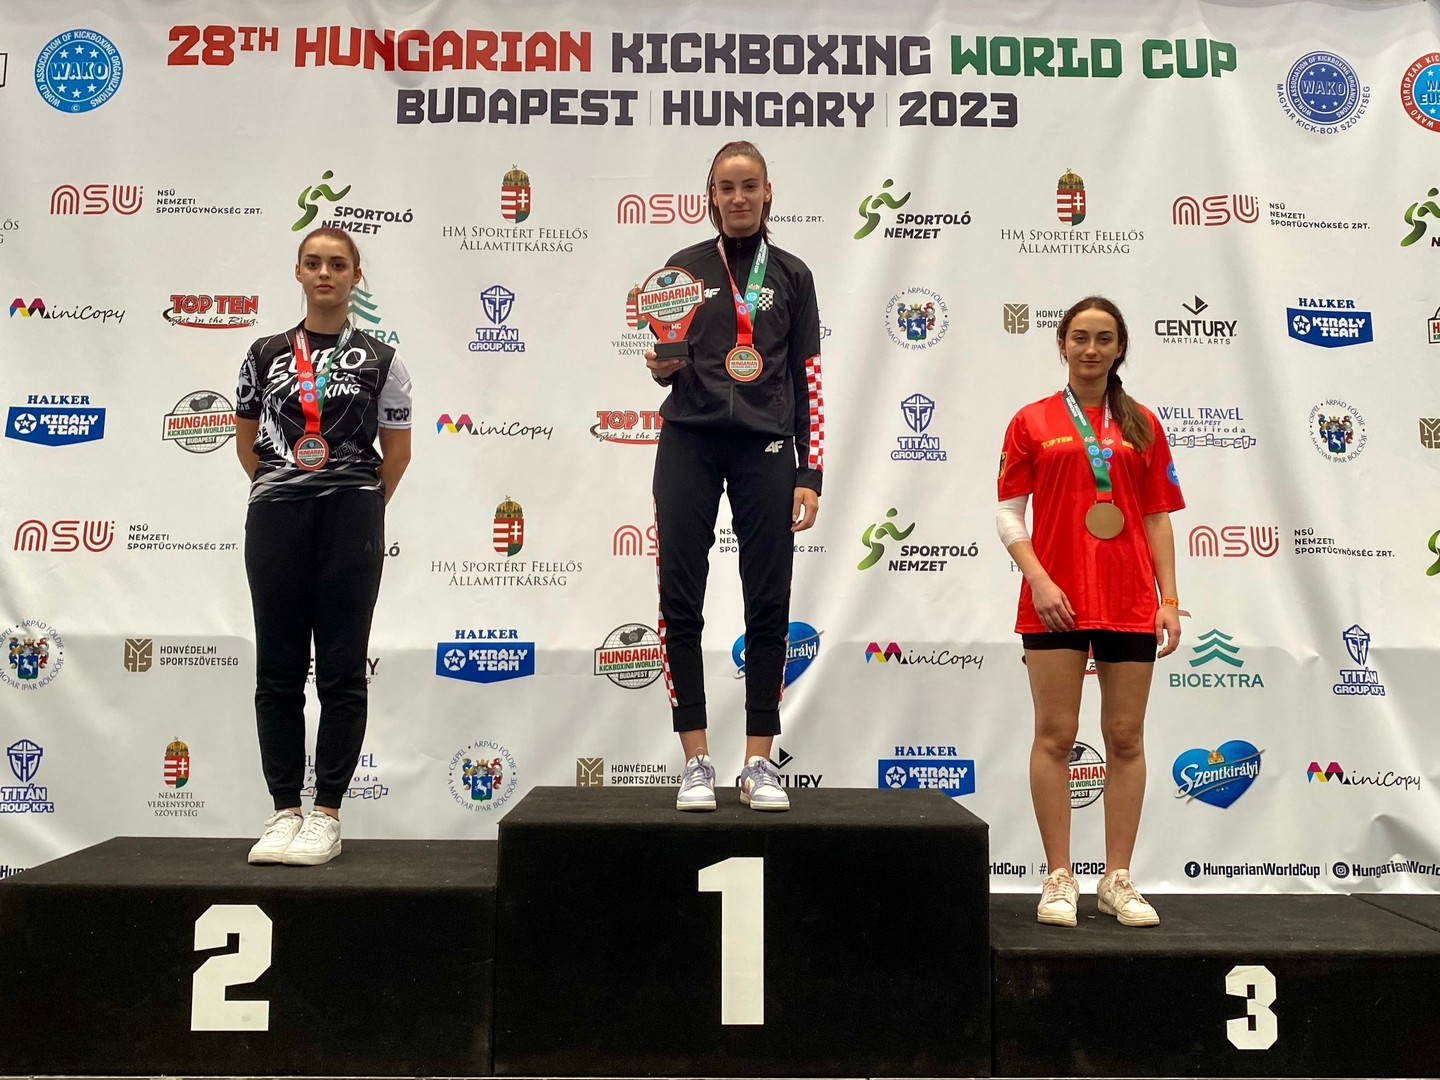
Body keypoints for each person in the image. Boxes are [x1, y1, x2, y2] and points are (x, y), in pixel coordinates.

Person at [644, 141, 824, 813]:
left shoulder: (794, 275)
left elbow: (808, 381)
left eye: (750, 186)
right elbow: (665, 356)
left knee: (768, 604)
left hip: (766, 450)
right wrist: (660, 366)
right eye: (727, 187)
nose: (739, 197)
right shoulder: (683, 269)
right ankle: (695, 760)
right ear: (711, 197)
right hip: (688, 443)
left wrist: (811, 470)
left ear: (768, 192)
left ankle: (757, 762)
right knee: (680, 600)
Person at [995, 296, 1183, 926]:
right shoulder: (1031, 420)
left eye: (1104, 338)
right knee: (1055, 736)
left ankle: (1118, 879)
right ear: (1062, 345)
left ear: (1120, 348)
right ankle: (1059, 877)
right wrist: (1039, 581)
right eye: (1080, 337)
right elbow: (1007, 514)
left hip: (1129, 599)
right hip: (1055, 600)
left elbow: (1156, 517)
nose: (1092, 348)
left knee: (1125, 738)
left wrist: (1169, 600)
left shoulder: (1142, 424)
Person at [233, 226, 412, 865]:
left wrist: (356, 504)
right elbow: (247, 439)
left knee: (341, 670)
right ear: (298, 272)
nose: (325, 273)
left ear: (356, 276)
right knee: (278, 670)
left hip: (351, 518)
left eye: (338, 264)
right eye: (313, 263)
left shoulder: (383, 359)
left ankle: (327, 814)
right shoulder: (264, 353)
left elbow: (397, 453)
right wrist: (287, 491)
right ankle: (284, 810)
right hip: (276, 517)